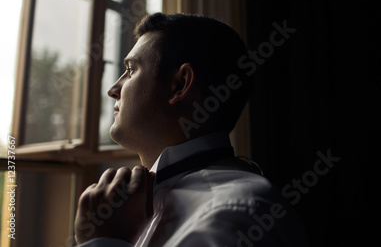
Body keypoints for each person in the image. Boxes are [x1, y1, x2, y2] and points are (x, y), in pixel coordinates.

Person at [74, 13, 310, 246]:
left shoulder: (233, 214)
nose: (113, 89)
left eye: (132, 69)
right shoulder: (127, 207)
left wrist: (102, 241)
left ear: (180, 84)